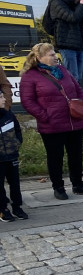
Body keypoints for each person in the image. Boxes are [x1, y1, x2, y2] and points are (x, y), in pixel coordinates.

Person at [18, 43, 83, 199]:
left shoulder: (62, 70)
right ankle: (58, 187)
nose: (56, 57)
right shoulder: (30, 76)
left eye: (55, 54)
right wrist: (45, 116)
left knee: (76, 155)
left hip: (74, 121)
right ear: (39, 58)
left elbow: (78, 88)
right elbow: (28, 101)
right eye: (51, 55)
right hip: (52, 125)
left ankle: (78, 185)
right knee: (55, 157)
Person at [45, 0, 83, 84]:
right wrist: (82, 5)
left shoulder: (74, 5)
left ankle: (76, 99)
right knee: (72, 76)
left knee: (78, 77)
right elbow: (72, 17)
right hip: (66, 44)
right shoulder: (57, 2)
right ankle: (70, 99)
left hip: (78, 45)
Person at [0, 89, 27, 221]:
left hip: (11, 156)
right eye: (1, 97)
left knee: (15, 184)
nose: (4, 99)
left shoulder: (9, 115)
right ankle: (3, 209)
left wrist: (16, 145)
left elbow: (17, 131)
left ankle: (17, 207)